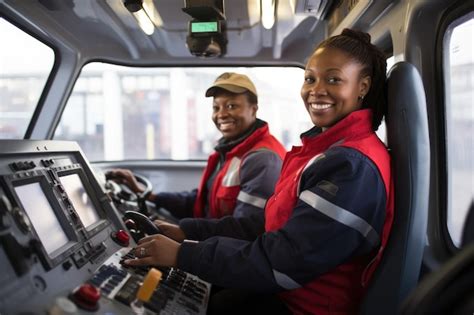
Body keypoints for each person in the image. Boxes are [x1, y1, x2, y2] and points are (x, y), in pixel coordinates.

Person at [125, 28, 394, 315]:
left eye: (333, 79)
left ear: (362, 87)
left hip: (304, 305)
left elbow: (285, 260)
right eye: (309, 79)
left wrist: (184, 253)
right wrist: (186, 232)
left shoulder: (351, 166)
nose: (316, 90)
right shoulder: (323, 152)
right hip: (283, 289)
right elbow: (263, 224)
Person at [109, 72, 286, 220]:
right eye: (216, 108)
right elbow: (202, 201)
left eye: (232, 106)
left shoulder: (263, 159)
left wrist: (183, 233)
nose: (222, 114)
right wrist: (147, 194)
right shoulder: (231, 150)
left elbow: (245, 229)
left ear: (253, 109)